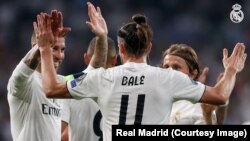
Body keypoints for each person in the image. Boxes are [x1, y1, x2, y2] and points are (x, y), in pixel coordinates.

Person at [37, 2, 247, 141]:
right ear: (149, 48)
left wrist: (45, 49)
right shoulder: (169, 78)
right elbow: (220, 95)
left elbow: (50, 87)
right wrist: (231, 70)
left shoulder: (102, 78)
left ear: (120, 49)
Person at [7, 10, 71, 141]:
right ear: (35, 46)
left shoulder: (61, 83)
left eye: (62, 49)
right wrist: (42, 47)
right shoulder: (25, 83)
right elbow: (21, 74)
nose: (59, 56)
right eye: (54, 48)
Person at [61, 36, 117, 141]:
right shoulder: (126, 86)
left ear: (86, 58)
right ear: (114, 60)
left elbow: (59, 134)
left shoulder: (66, 86)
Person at [161, 44, 228, 124]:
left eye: (176, 67)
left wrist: (207, 116)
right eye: (166, 67)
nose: (169, 72)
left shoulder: (197, 108)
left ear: (192, 74)